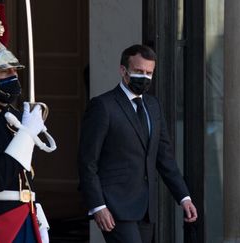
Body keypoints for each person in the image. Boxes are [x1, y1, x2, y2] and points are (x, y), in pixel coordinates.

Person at [78, 44, 198, 243]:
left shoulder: (153, 106)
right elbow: (87, 161)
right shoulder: (103, 106)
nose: (144, 77)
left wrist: (184, 197)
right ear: (123, 71)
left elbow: (164, 157)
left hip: (146, 209)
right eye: (139, 71)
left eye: (149, 73)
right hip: (115, 206)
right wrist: (98, 206)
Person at [0, 4, 51, 243]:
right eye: (4, 73)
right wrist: (25, 136)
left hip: (25, 215)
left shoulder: (13, 116)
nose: (12, 76)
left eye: (14, 71)